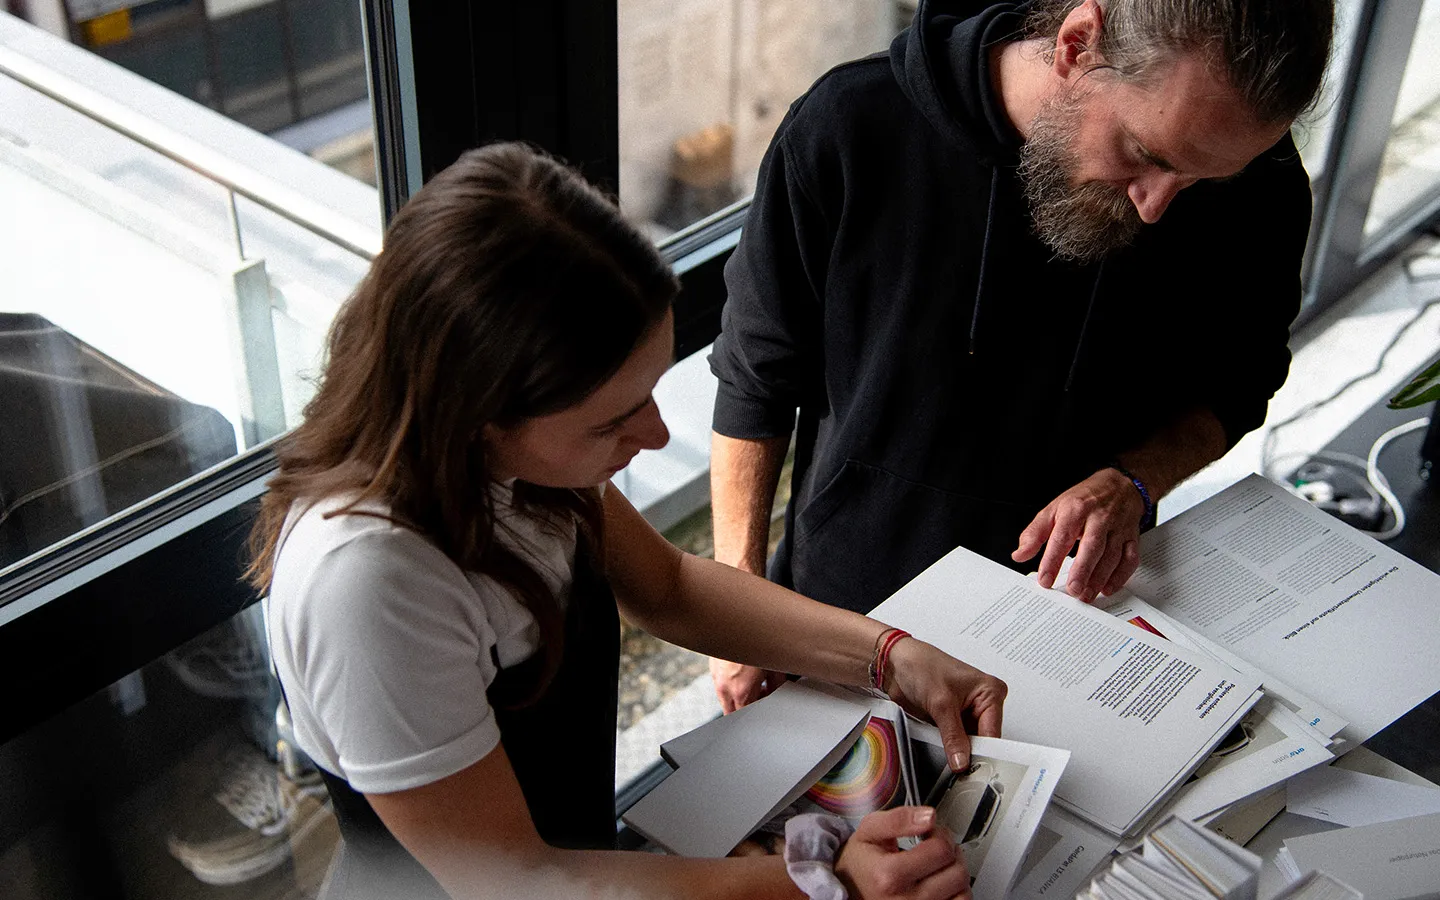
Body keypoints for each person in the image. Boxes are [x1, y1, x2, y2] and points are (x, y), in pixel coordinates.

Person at [248, 142, 1008, 900]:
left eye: (649, 393)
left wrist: (887, 654)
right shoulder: (371, 581)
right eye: (611, 422)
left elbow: (670, 587)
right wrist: (819, 880)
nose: (655, 436)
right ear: (481, 414)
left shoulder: (503, 469)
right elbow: (518, 880)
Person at [706, 0, 1334, 712]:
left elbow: (1241, 379)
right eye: (1145, 154)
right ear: (1076, 44)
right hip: (846, 613)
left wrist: (1133, 482)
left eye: (1202, 181)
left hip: (1077, 619)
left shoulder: (1260, 180)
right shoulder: (851, 127)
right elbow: (756, 378)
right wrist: (741, 611)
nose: (1158, 206)